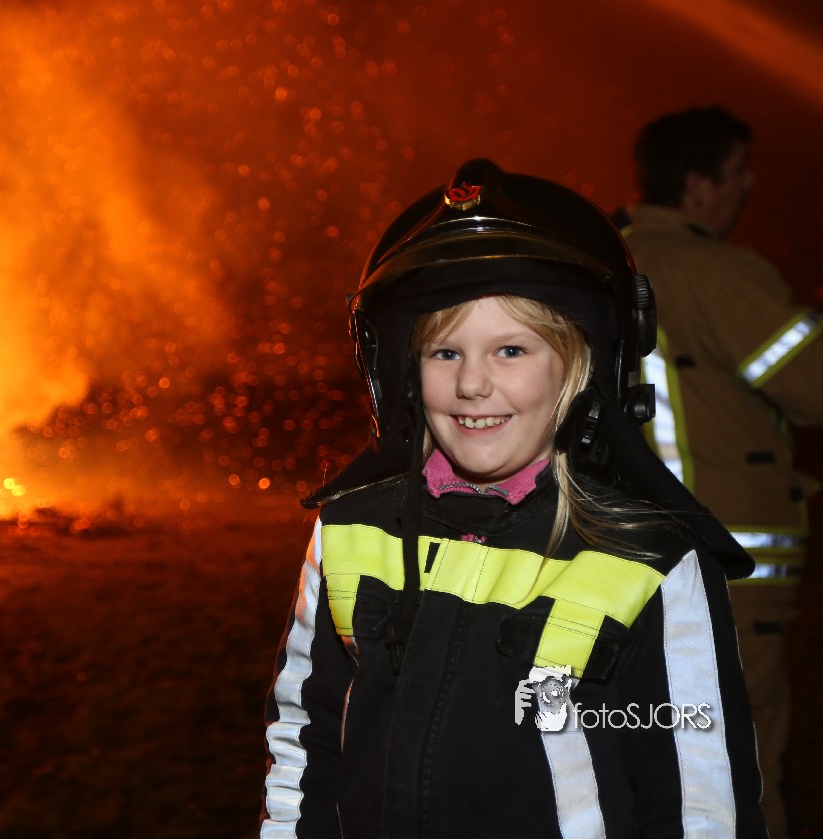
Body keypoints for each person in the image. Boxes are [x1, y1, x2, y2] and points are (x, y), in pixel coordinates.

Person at [262, 158, 768, 838]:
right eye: (444, 353)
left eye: (511, 350)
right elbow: (306, 738)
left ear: (581, 367)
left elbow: (699, 804)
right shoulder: (351, 530)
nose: (472, 385)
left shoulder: (649, 565)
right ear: (400, 373)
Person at [615, 106, 823, 839]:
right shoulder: (718, 271)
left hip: (617, 559)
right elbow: (814, 386)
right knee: (742, 762)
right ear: (698, 184)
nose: (751, 185)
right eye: (738, 171)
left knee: (640, 753)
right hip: (730, 565)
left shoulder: (599, 263)